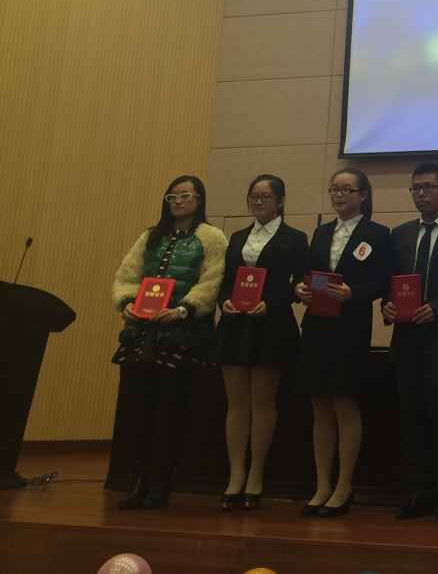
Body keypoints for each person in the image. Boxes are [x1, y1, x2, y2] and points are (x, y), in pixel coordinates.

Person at [110, 175, 227, 509]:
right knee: (139, 411)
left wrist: (184, 309)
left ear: (199, 200)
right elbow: (127, 275)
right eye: (172, 196)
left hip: (183, 335)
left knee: (170, 412)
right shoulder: (150, 236)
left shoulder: (212, 237)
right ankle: (138, 482)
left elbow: (212, 280)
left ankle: (161, 483)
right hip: (142, 333)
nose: (178, 201)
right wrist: (127, 302)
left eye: (185, 195)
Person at [294, 167, 393, 517]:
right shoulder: (321, 232)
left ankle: (344, 485)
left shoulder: (377, 234)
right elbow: (309, 275)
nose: (338, 195)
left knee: (344, 404)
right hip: (317, 326)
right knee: (319, 406)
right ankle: (322, 484)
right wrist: (301, 289)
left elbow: (382, 283)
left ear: (363, 195)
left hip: (350, 328)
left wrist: (354, 293)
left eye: (346, 190)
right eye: (334, 189)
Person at [214, 174, 307, 511]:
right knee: (236, 404)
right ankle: (235, 474)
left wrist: (272, 302)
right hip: (235, 326)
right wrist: (224, 300)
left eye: (265, 196)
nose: (258, 201)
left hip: (271, 326)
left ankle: (256, 475)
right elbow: (226, 280)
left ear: (280, 201)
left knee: (263, 403)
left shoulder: (295, 238)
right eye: (254, 196)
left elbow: (300, 283)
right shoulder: (238, 237)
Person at [381, 162, 438, 521]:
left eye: (428, 187)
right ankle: (417, 492)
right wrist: (386, 306)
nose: (421, 194)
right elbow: (389, 282)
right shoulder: (399, 234)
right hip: (406, 341)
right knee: (411, 418)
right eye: (416, 188)